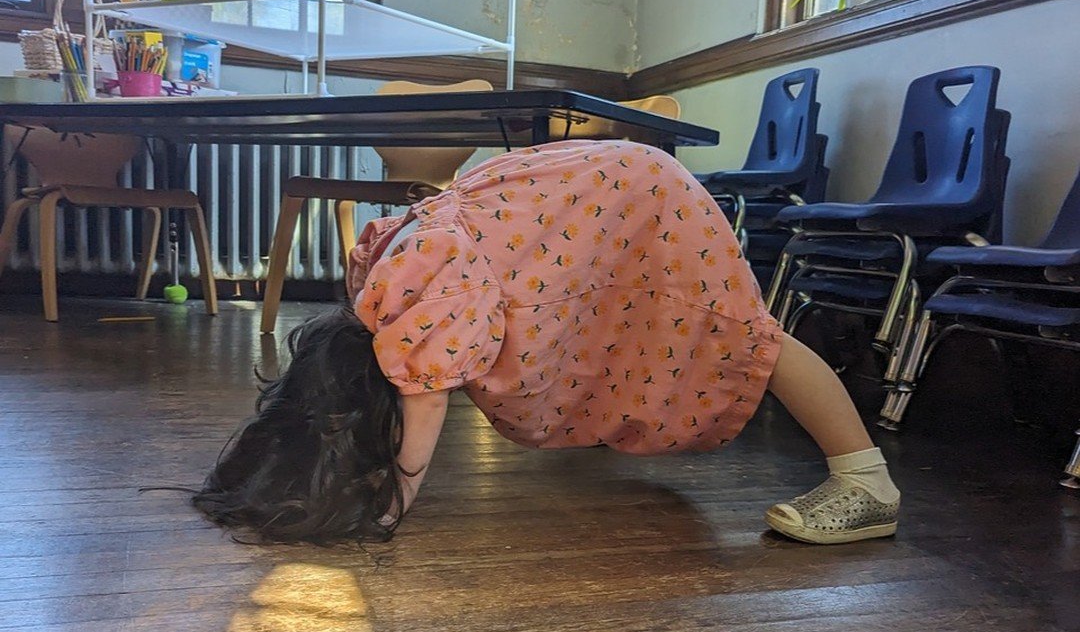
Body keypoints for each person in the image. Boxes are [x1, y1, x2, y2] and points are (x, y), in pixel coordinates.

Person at [195, 139, 900, 546]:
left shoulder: (416, 308)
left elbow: (426, 400)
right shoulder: (384, 284)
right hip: (607, 190)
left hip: (643, 202)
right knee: (651, 330)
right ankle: (863, 476)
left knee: (745, 336)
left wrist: (396, 507)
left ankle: (867, 483)